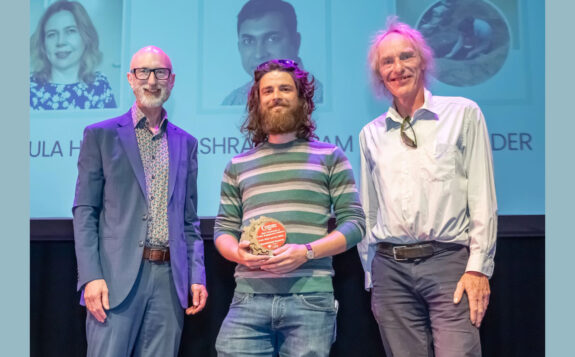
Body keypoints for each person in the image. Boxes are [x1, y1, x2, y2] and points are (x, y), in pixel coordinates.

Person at [358, 18, 497, 357]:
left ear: (423, 61)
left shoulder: (463, 114)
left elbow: (482, 197)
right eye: (387, 62)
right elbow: (368, 211)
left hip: (449, 264)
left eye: (406, 57)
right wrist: (371, 275)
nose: (398, 68)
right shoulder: (370, 134)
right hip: (390, 271)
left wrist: (478, 267)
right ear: (379, 73)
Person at [214, 59, 365, 356]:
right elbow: (223, 229)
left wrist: (306, 252)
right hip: (248, 299)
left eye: (285, 88)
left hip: (309, 299)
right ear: (257, 101)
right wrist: (238, 254)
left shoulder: (330, 156)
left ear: (302, 99)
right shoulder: (238, 165)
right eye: (267, 91)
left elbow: (355, 224)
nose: (276, 96)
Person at [72, 46, 207, 356]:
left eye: (160, 72)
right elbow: (85, 212)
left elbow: (189, 221)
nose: (151, 80)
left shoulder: (186, 143)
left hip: (169, 281)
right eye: (143, 72)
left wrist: (196, 275)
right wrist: (91, 277)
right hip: (115, 281)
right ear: (130, 79)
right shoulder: (101, 136)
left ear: (171, 81)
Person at [222, 0, 323, 105]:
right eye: (248, 41)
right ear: (239, 48)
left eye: (272, 39)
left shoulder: (320, 98)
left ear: (296, 43)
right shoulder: (232, 102)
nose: (259, 54)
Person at [30, 0, 116, 110]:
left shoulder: (100, 84)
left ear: (86, 37)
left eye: (70, 31)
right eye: (52, 34)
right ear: (43, 43)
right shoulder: (29, 87)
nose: (61, 41)